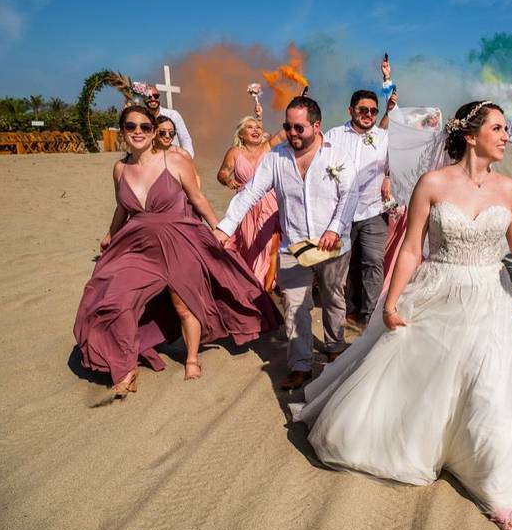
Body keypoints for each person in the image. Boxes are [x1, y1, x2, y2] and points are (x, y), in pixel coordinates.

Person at [290, 101, 512, 530]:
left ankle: (498, 485)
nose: (506, 136)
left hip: (490, 296)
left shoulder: (508, 189)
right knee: (429, 380)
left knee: (489, 385)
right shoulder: (432, 183)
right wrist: (390, 304)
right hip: (438, 290)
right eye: (499, 128)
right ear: (471, 135)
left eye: (506, 129)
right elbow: (411, 249)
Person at [74, 106, 280, 395]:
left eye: (145, 127)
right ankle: (124, 366)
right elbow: (122, 206)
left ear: (154, 132)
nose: (138, 132)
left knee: (184, 303)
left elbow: (197, 198)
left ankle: (192, 358)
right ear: (122, 130)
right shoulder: (120, 168)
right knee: (116, 300)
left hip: (179, 239)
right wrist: (111, 233)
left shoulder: (175, 160)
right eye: (131, 126)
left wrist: (219, 229)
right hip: (138, 245)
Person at [214, 96, 359, 390]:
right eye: (287, 127)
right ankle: (300, 364)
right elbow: (251, 192)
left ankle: (333, 348)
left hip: (332, 245)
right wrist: (226, 227)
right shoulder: (276, 157)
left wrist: (334, 228)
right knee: (294, 306)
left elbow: (350, 195)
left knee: (333, 299)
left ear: (317, 126)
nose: (292, 134)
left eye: (299, 128)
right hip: (293, 246)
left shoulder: (338, 155)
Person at [327, 90, 391, 328]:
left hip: (373, 209)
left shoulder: (383, 137)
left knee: (373, 261)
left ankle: (370, 314)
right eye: (363, 110)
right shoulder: (333, 135)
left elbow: (396, 163)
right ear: (351, 110)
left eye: (373, 111)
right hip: (340, 213)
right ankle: (350, 309)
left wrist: (389, 176)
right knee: (345, 264)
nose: (368, 115)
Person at [216, 115, 281, 290]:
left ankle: (262, 290)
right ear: (241, 134)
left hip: (271, 204)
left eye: (258, 127)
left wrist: (301, 100)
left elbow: (285, 133)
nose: (256, 130)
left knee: (268, 248)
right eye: (250, 127)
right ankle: (248, 283)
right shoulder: (235, 152)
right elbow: (222, 173)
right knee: (248, 246)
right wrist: (228, 180)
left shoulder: (269, 147)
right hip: (245, 207)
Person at [143, 85, 194, 157]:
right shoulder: (142, 118)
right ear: (143, 99)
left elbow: (185, 138)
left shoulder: (173, 115)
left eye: (156, 96)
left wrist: (188, 157)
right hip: (153, 160)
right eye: (149, 96)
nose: (153, 99)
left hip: (174, 159)